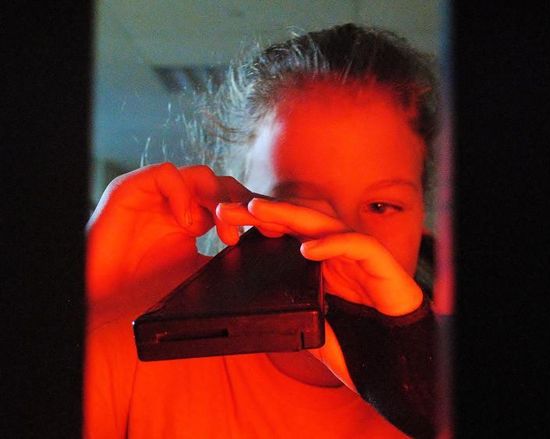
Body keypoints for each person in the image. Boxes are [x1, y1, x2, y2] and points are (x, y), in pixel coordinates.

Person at [84, 23, 440, 438]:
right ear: (234, 207)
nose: (349, 246)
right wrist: (83, 313)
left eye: (382, 206)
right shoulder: (127, 358)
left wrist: (427, 396)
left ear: (422, 216)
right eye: (300, 206)